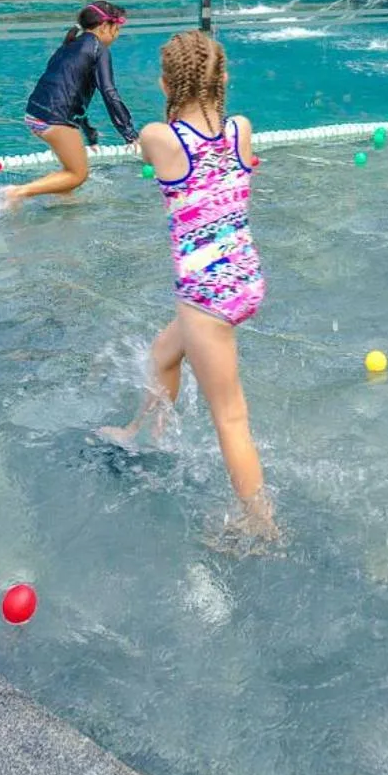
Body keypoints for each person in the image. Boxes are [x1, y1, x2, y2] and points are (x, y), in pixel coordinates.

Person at [98, 31, 276, 544]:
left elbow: (151, 153)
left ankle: (260, 523)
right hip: (244, 275)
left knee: (231, 415)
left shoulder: (161, 137)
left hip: (207, 296)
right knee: (163, 352)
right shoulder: (240, 128)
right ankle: (142, 432)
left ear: (164, 82)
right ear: (223, 79)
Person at [5, 1, 138, 208]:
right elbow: (109, 92)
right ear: (104, 26)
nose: (117, 35)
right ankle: (18, 193)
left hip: (34, 115)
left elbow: (71, 93)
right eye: (117, 29)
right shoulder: (99, 48)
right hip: (55, 120)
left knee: (70, 170)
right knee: (78, 175)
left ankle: (64, 206)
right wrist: (129, 133)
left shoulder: (69, 45)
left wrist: (89, 132)